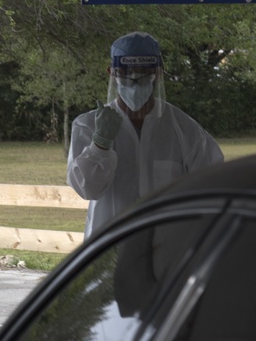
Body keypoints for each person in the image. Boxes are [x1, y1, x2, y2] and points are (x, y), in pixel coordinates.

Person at [67, 32, 224, 238]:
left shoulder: (183, 128)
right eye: (125, 74)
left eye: (143, 74)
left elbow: (212, 185)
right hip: (109, 246)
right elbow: (88, 190)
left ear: (158, 73)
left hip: (165, 249)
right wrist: (100, 145)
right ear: (111, 74)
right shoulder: (88, 125)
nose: (133, 83)